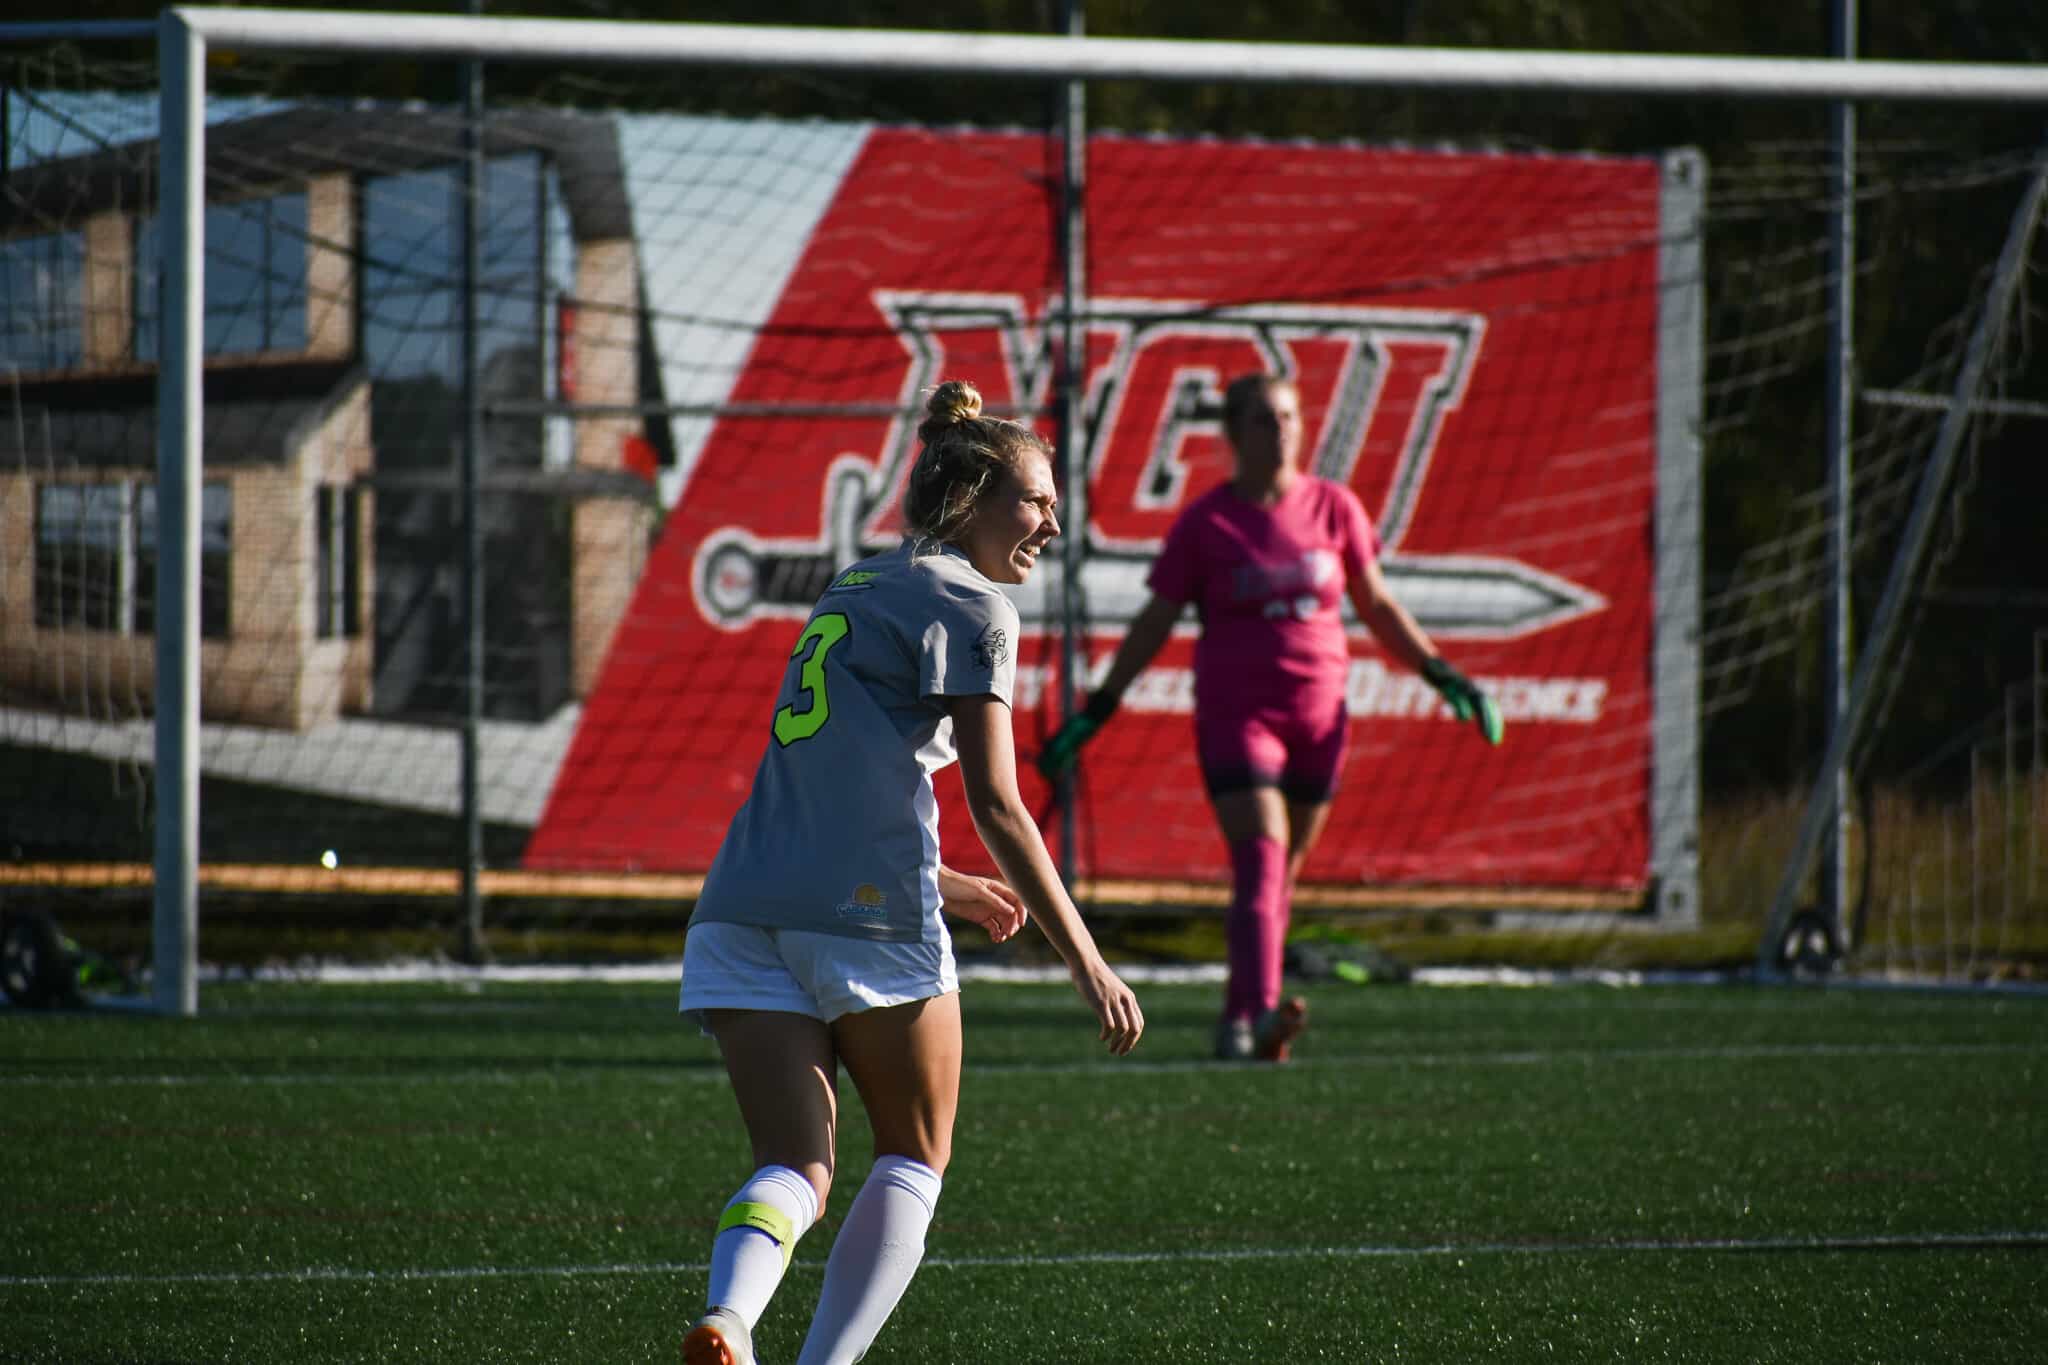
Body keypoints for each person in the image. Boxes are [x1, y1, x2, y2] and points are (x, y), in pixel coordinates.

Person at [678, 379, 1146, 1365]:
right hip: (864, 927)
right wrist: (1088, 961)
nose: (1052, 524)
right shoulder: (973, 608)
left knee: (795, 1165)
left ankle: (729, 1317)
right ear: (970, 496)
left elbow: (836, 786)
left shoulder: (850, 584)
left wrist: (950, 883)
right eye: (1034, 500)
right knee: (913, 1158)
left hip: (738, 907)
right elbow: (998, 804)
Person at [1038, 372, 1500, 1064]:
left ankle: (1238, 1018)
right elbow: (1154, 622)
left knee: (1282, 877)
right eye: (1262, 418)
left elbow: (1377, 605)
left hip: (1321, 719)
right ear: (1232, 435)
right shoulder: (1207, 522)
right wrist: (1097, 710)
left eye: (1288, 415)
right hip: (1237, 715)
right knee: (1261, 859)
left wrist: (1444, 673)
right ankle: (1258, 1014)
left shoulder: (1335, 507)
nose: (1279, 429)